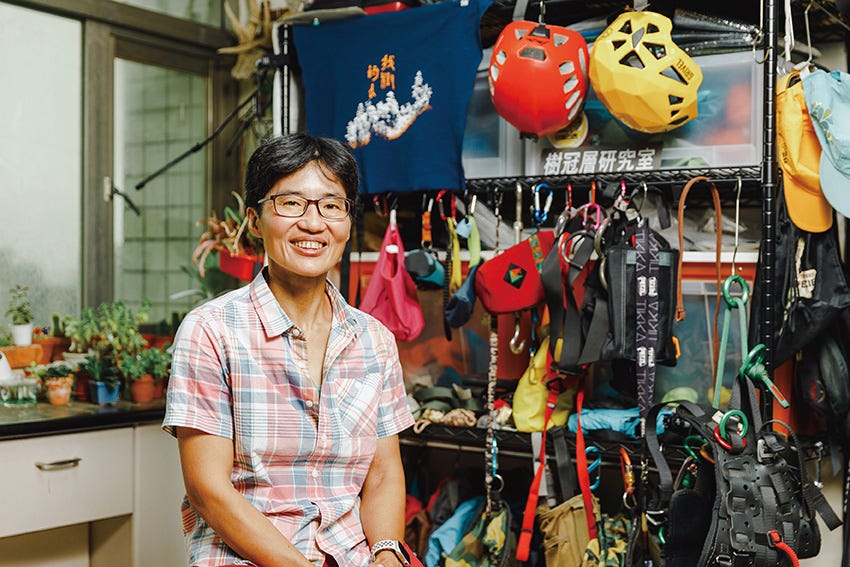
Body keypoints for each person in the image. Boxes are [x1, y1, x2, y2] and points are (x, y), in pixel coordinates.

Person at [163, 133, 415, 567]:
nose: (314, 224)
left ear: (348, 221)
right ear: (255, 221)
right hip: (243, 556)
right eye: (291, 203)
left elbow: (384, 472)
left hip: (352, 554)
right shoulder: (211, 331)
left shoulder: (375, 339)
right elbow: (208, 489)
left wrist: (388, 553)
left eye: (332, 205)